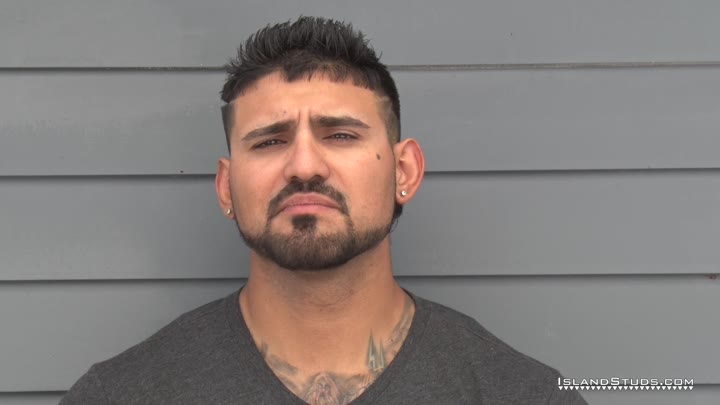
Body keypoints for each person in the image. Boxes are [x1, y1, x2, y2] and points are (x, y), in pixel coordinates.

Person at [61, 17, 587, 405]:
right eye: (269, 141)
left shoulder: (523, 394)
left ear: (403, 171)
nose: (304, 166)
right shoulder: (118, 396)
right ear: (225, 187)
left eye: (340, 135)